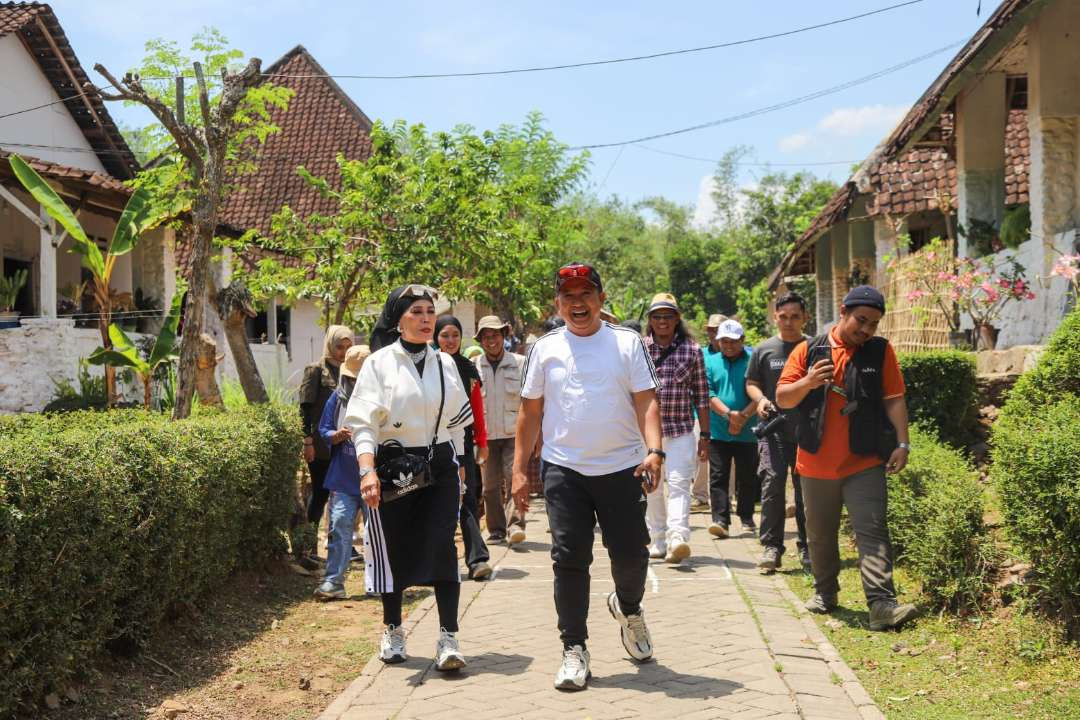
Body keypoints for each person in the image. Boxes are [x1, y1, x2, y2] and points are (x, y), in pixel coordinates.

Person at [512, 262, 662, 692]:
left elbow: (646, 401)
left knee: (631, 553)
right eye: (569, 296)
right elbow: (530, 412)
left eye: (586, 294)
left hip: (623, 467)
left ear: (601, 298)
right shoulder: (545, 348)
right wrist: (520, 471)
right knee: (569, 560)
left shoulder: (627, 343)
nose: (578, 304)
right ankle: (574, 648)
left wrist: (655, 450)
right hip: (565, 470)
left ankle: (629, 608)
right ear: (558, 303)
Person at [346, 285, 474, 670]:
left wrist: (462, 471)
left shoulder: (445, 364)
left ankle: (449, 638)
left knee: (443, 548)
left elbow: (456, 427)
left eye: (430, 312)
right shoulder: (379, 364)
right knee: (395, 547)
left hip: (438, 467)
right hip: (392, 467)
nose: (426, 319)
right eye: (416, 311)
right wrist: (366, 470)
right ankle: (393, 629)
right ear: (399, 319)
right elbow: (363, 424)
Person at [776, 285, 917, 631]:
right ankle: (825, 593)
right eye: (861, 320)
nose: (866, 330)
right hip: (815, 464)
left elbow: (894, 398)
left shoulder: (880, 352)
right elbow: (783, 397)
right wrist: (808, 382)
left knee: (872, 531)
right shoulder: (808, 351)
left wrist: (903, 443)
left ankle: (881, 605)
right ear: (843, 311)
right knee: (820, 535)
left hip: (864, 461)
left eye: (873, 324)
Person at [745, 292, 811, 574]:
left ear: (805, 317)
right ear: (775, 317)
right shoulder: (764, 349)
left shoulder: (814, 347)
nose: (788, 322)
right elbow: (751, 382)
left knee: (805, 492)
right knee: (772, 486)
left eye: (795, 316)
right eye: (783, 316)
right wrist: (760, 400)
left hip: (808, 432)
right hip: (773, 431)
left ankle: (808, 548)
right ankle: (772, 547)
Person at [641, 293, 709, 564]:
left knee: (680, 484)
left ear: (677, 319)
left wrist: (705, 435)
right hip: (647, 434)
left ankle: (678, 538)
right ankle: (657, 538)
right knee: (652, 487)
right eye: (657, 316)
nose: (662, 321)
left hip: (681, 430)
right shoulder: (640, 348)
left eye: (668, 316)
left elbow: (702, 396)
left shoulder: (692, 350)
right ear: (650, 320)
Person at [434, 315, 493, 581]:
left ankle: (477, 559)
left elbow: (477, 411)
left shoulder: (468, 369)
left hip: (464, 445)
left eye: (455, 335)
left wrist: (482, 442)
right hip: (433, 445)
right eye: (445, 335)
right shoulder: (427, 366)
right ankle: (437, 563)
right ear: (436, 337)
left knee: (467, 499)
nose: (450, 341)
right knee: (437, 502)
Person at [314, 344, 371, 600]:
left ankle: (379, 582)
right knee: (339, 525)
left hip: (375, 480)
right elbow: (323, 428)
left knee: (377, 533)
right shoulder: (337, 399)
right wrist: (334, 436)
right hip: (343, 479)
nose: (355, 384)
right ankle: (333, 581)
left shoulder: (386, 401)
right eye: (351, 378)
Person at [298, 325, 354, 567]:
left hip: (345, 447)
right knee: (320, 495)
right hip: (321, 445)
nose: (343, 352)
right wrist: (307, 441)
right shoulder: (315, 370)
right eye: (339, 347)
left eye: (347, 347)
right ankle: (308, 547)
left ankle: (342, 546)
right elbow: (305, 409)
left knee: (345, 497)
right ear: (330, 345)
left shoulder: (352, 370)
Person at [474, 315, 528, 546]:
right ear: (480, 340)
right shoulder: (475, 365)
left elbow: (531, 401)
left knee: (513, 477)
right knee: (490, 486)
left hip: (514, 434)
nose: (491, 340)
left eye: (495, 335)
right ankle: (496, 529)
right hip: (485, 436)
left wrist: (535, 437)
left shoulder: (520, 363)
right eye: (485, 337)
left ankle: (516, 524)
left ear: (503, 336)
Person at [703, 319, 759, 538]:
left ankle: (746, 518)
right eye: (723, 341)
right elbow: (708, 393)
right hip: (719, 430)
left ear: (742, 341)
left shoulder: (753, 360)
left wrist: (742, 417)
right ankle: (720, 520)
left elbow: (762, 391)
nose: (728, 346)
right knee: (718, 476)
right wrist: (729, 416)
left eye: (733, 341)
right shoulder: (711, 361)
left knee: (747, 477)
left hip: (748, 430)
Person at [691, 314, 728, 510]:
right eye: (711, 330)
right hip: (701, 412)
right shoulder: (701, 353)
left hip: (727, 413)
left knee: (726, 456)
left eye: (718, 329)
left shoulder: (734, 353)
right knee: (701, 454)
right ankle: (700, 495)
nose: (714, 333)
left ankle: (726, 497)